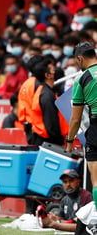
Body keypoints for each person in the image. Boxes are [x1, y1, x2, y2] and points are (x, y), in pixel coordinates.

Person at [66, 42, 97, 215]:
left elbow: (76, 118)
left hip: (96, 128)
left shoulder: (82, 79)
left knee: (96, 179)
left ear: (80, 58)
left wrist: (70, 141)